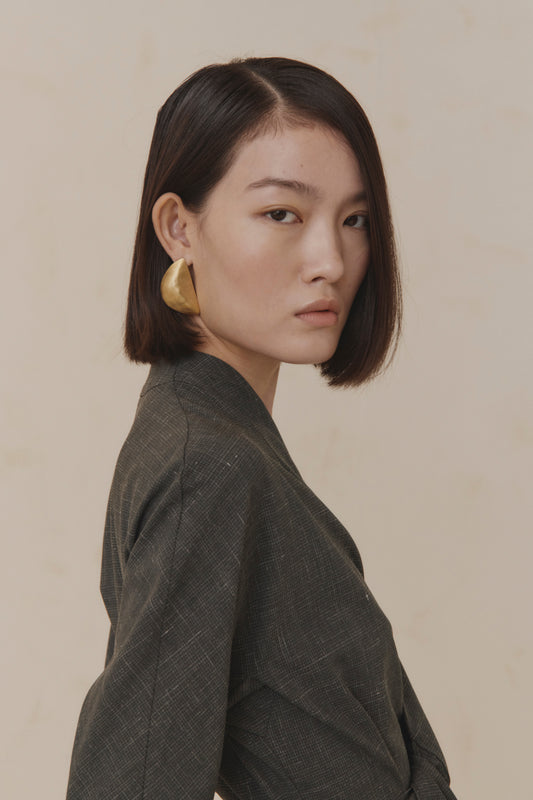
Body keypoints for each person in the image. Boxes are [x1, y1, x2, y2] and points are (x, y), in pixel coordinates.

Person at [66, 57, 457, 799]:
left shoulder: (218, 439)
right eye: (282, 214)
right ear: (179, 228)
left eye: (354, 220)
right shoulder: (207, 467)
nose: (331, 260)